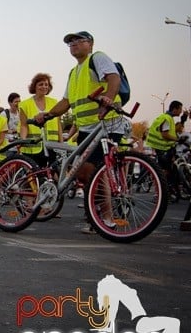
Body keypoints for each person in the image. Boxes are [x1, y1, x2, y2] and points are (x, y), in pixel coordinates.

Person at [35, 30, 126, 234]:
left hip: (108, 122)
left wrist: (109, 99)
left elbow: (113, 79)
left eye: (78, 40)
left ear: (90, 43)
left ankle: (106, 218)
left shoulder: (98, 58)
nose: (74, 44)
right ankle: (97, 215)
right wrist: (48, 115)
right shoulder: (74, 72)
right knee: (86, 173)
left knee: (97, 170)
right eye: (70, 42)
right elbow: (66, 102)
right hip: (86, 128)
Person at [18, 73, 62, 167]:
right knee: (35, 175)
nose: (44, 87)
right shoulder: (25, 104)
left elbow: (58, 124)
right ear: (35, 86)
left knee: (52, 173)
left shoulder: (54, 102)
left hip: (52, 146)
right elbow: (23, 125)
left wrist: (61, 144)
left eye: (46, 84)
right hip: (33, 147)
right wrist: (23, 140)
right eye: (41, 84)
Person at [146, 100, 184, 200]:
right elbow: (165, 134)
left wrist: (183, 120)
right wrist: (177, 139)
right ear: (175, 109)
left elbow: (176, 130)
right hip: (163, 149)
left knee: (169, 172)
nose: (180, 111)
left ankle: (166, 193)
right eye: (180, 109)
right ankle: (160, 194)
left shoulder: (167, 118)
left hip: (164, 149)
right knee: (165, 173)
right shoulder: (167, 118)